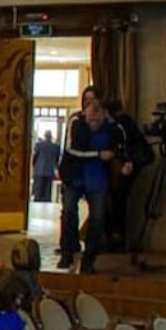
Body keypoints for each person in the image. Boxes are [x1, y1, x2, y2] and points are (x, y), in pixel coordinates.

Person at [56, 90, 115, 273]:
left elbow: (116, 146)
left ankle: (90, 257)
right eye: (87, 102)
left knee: (97, 217)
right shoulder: (76, 121)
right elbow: (72, 149)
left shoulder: (110, 125)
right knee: (69, 212)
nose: (92, 110)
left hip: (97, 177)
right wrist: (97, 155)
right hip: (75, 174)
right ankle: (68, 251)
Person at [31, 127, 61, 205]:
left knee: (38, 191)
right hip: (50, 171)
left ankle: (36, 206)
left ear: (44, 136)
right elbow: (57, 159)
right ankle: (46, 206)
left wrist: (34, 166)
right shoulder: (56, 147)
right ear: (51, 136)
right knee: (48, 192)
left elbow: (35, 157)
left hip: (39, 170)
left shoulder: (39, 145)